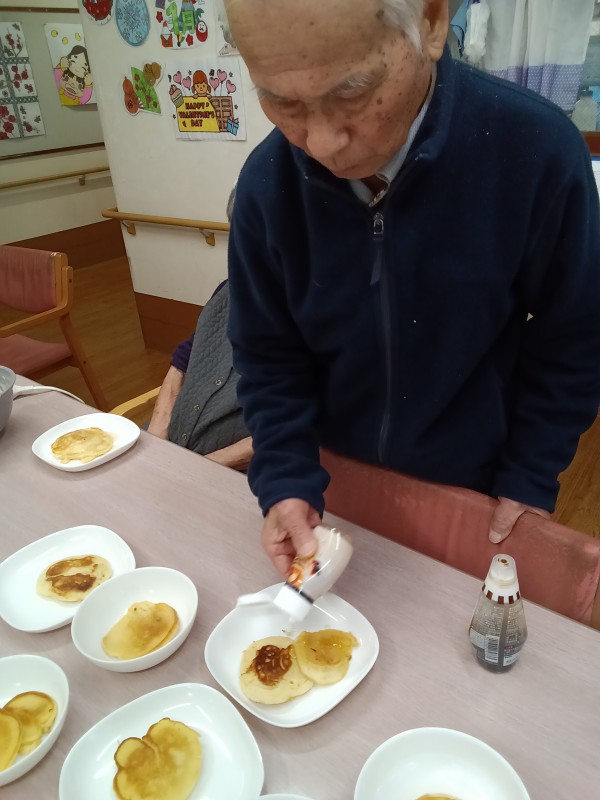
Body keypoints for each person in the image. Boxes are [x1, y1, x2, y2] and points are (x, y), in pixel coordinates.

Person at [224, 0, 600, 575]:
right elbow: (268, 354)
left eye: (352, 92)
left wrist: (530, 472)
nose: (321, 144)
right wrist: (284, 476)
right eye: (281, 101)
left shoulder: (537, 152)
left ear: (430, 21)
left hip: (475, 486)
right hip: (329, 487)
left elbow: (575, 335)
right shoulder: (265, 185)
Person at [147, 186, 252, 470]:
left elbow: (304, 429)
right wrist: (156, 434)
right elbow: (184, 359)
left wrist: (196, 468)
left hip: (236, 471)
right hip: (174, 444)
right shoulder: (229, 291)